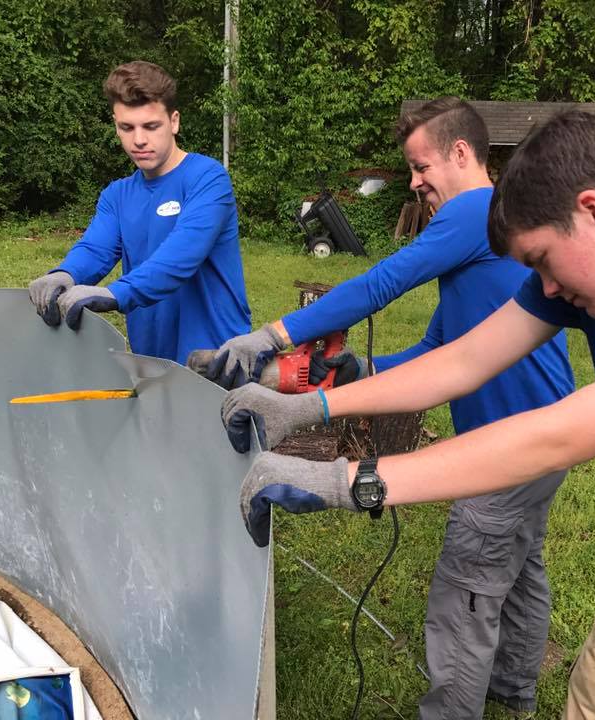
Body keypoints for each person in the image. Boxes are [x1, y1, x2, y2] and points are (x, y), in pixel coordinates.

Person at [221, 110, 595, 718]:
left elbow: (556, 436)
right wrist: (305, 406)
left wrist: (346, 481)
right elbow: (462, 361)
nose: (545, 287)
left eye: (540, 260)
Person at [202, 97, 574, 717]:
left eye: (420, 165)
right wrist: (362, 371)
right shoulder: (492, 229)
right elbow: (440, 348)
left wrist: (273, 335)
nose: (414, 181)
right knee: (520, 561)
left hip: (507, 440)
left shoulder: (477, 211)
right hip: (545, 434)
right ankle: (514, 688)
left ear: (461, 154)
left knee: (467, 587)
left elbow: (379, 285)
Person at [27, 60, 250, 363]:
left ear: (174, 122)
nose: (139, 140)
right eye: (127, 128)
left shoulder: (207, 179)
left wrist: (116, 294)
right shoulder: (117, 195)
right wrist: (66, 274)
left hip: (217, 360)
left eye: (151, 126)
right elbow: (95, 249)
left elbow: (180, 257)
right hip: (152, 362)